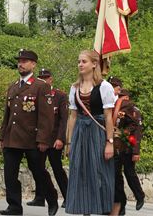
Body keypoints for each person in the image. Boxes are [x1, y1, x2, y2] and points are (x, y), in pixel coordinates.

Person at [0, 49, 58, 216]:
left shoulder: (41, 86)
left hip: (32, 138)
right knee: (10, 173)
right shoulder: (13, 87)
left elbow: (46, 117)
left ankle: (51, 199)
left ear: (33, 64)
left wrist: (43, 140)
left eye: (25, 61)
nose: (21, 63)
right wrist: (2, 135)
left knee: (38, 172)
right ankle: (14, 206)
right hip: (12, 136)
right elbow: (7, 115)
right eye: (19, 60)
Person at [65, 50, 115, 215]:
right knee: (79, 170)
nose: (80, 64)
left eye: (84, 61)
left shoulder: (104, 86)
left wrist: (109, 142)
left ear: (94, 64)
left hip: (97, 132)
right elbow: (72, 117)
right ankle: (84, 209)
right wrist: (69, 142)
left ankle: (103, 210)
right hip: (80, 132)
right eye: (79, 61)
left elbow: (108, 117)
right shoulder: (75, 88)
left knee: (100, 171)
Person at [26, 68, 68, 209]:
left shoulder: (60, 96)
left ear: (51, 79)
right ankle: (40, 197)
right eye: (41, 78)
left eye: (46, 78)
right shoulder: (35, 94)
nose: (44, 80)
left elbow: (64, 120)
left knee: (57, 168)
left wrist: (61, 138)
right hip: (40, 138)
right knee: (38, 168)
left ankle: (67, 197)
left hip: (54, 139)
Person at [111, 87, 145, 216]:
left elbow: (137, 131)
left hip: (128, 147)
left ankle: (139, 195)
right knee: (115, 176)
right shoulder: (114, 109)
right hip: (116, 148)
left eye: (122, 97)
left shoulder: (133, 110)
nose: (119, 100)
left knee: (129, 173)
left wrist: (136, 151)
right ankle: (121, 204)